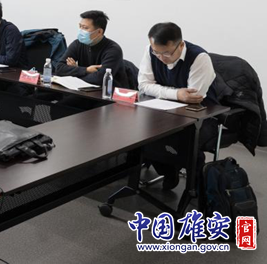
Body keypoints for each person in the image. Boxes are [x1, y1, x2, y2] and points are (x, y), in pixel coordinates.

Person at [138, 22, 219, 190]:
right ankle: (168, 171)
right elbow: (144, 85)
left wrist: (162, 91)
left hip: (200, 115)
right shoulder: (151, 51)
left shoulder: (199, 58)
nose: (161, 57)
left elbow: (192, 98)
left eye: (166, 53)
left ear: (180, 45)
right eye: (156, 52)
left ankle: (195, 186)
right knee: (141, 134)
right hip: (162, 111)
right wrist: (176, 94)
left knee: (184, 140)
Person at [54, 10, 128, 88]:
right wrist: (86, 70)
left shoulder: (113, 50)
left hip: (107, 92)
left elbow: (100, 79)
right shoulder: (77, 43)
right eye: (80, 26)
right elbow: (59, 68)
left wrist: (75, 71)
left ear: (99, 31)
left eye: (85, 28)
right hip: (82, 90)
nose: (81, 30)